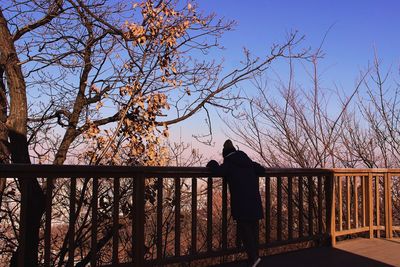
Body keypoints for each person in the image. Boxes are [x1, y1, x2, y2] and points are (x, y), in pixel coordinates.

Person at [207, 139, 264, 267]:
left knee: (245, 230)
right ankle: (256, 257)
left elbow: (217, 171)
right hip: (254, 201)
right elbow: (261, 170)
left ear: (225, 154)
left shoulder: (229, 163)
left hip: (241, 202)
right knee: (253, 229)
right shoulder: (247, 161)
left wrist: (212, 163)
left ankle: (253, 259)